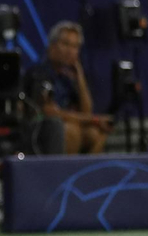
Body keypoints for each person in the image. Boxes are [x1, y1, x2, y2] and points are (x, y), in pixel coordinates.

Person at [22, 22, 111, 154]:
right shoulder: (39, 72)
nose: (71, 51)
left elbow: (86, 111)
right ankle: (67, 173)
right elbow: (49, 112)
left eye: (75, 47)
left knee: (95, 133)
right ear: (52, 46)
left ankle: (86, 172)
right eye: (66, 44)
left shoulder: (68, 78)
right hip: (40, 130)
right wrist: (94, 119)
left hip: (66, 126)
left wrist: (80, 78)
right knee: (71, 130)